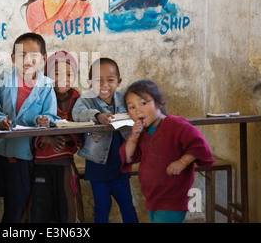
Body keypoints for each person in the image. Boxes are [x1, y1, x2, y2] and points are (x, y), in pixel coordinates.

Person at [0, 32, 59, 223]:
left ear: (43, 59)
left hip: (22, 156)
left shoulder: (46, 86)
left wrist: (44, 120)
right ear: (13, 58)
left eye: (34, 55)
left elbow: (51, 115)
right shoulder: (3, 78)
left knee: (16, 207)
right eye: (22, 55)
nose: (27, 60)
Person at [120, 80, 214, 223]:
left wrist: (183, 162)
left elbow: (199, 146)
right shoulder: (142, 133)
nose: (138, 110)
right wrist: (133, 137)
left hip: (173, 197)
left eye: (143, 103)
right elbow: (127, 157)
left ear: (159, 102)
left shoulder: (176, 124)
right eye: (132, 107)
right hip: (152, 197)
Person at [72, 58, 138, 223]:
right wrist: (97, 116)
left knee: (127, 205)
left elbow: (140, 110)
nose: (104, 85)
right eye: (97, 80)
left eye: (110, 80)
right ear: (89, 83)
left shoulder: (125, 99)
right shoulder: (85, 101)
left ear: (119, 82)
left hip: (121, 164)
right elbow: (77, 113)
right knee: (102, 206)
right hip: (97, 166)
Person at [30, 51, 84, 223]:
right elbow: (27, 124)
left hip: (65, 164)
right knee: (39, 210)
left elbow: (83, 128)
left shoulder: (78, 100)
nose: (63, 78)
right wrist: (46, 138)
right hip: (39, 164)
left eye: (69, 74)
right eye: (57, 73)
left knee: (68, 208)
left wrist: (69, 138)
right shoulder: (38, 95)